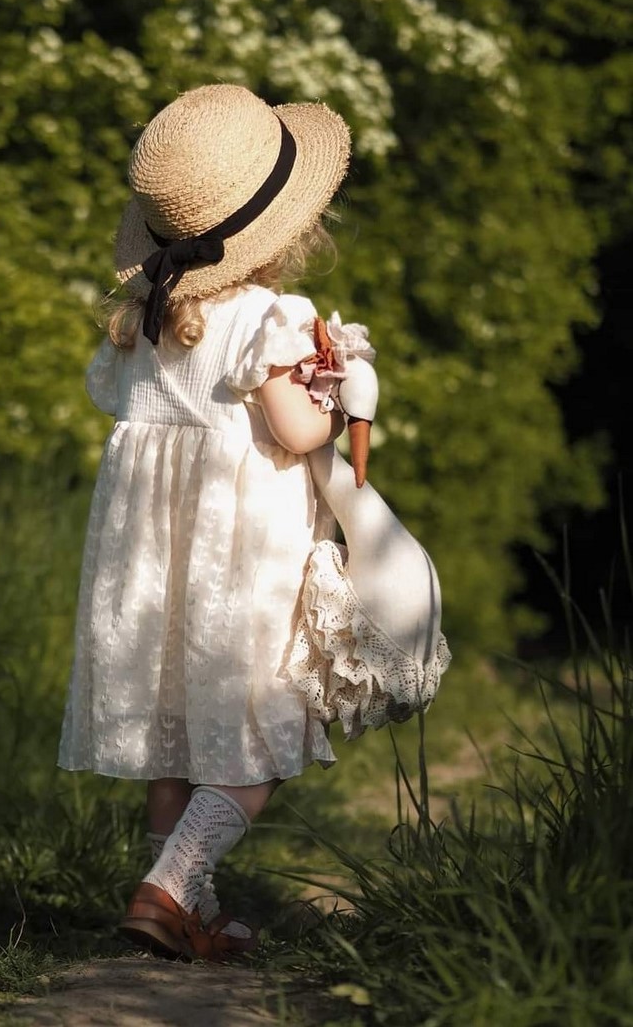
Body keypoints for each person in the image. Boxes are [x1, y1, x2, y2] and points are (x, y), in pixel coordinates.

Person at [57, 83, 448, 962]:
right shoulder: (276, 317)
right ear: (288, 231)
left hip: (150, 565)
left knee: (175, 742)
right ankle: (167, 884)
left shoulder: (142, 323)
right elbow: (299, 433)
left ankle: (181, 905)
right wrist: (339, 387)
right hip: (242, 559)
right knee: (256, 736)